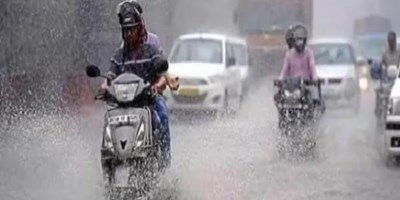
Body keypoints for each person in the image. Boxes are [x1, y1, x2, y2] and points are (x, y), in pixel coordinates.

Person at [101, 1, 176, 168]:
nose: (129, 34)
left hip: (149, 100)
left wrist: (157, 86)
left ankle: (163, 160)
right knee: (108, 119)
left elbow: (162, 75)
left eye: (132, 29)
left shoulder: (151, 50)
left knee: (161, 115)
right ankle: (110, 158)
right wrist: (104, 88)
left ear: (139, 28)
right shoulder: (119, 55)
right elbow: (110, 77)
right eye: (126, 30)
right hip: (124, 102)